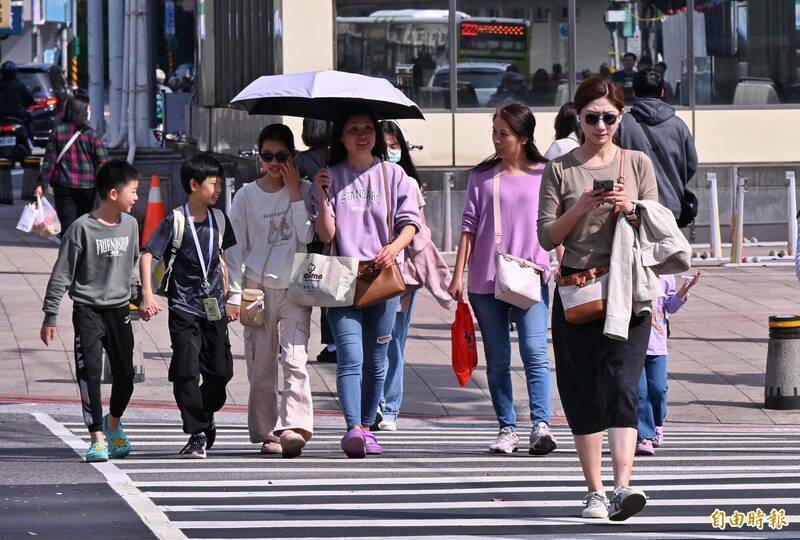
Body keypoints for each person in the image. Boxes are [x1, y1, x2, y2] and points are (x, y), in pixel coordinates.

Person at [537, 77, 659, 520]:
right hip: (577, 290)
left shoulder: (638, 163)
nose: (601, 125)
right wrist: (582, 207)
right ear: (577, 116)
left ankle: (624, 486)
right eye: (592, 117)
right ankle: (595, 491)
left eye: (610, 117)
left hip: (630, 289)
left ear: (621, 117)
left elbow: (658, 226)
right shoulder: (561, 168)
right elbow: (546, 234)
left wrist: (632, 207)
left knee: (624, 384)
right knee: (582, 387)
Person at [448, 103, 558, 456]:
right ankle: (507, 426)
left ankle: (540, 424)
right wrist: (458, 274)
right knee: (497, 357)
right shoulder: (482, 177)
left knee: (534, 352)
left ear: (523, 138)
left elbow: (558, 226)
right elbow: (468, 228)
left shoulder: (545, 174)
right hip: (486, 278)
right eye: (494, 132)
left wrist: (562, 264)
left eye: (504, 134)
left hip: (530, 275)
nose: (497, 140)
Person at [313, 103, 421, 458]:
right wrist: (321, 194)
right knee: (351, 357)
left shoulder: (393, 175)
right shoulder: (331, 175)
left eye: (368, 129)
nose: (363, 135)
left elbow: (411, 223)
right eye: (353, 129)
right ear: (340, 138)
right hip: (342, 277)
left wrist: (393, 248)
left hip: (382, 278)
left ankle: (367, 426)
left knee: (378, 360)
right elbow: (326, 232)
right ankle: (353, 429)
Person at [40, 159, 141, 462]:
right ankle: (97, 435)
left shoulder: (132, 225)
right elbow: (61, 274)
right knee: (91, 373)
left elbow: (130, 269)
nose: (137, 198)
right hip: (88, 311)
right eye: (134, 191)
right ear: (113, 193)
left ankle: (113, 423)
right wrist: (50, 315)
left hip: (120, 309)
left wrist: (139, 302)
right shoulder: (81, 229)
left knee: (125, 375)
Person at [226, 124, 316, 458]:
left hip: (295, 289)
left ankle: (292, 426)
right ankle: (267, 432)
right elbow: (235, 249)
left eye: (282, 156)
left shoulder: (304, 190)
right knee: (261, 364)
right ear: (259, 157)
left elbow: (307, 236)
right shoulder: (246, 195)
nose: (274, 163)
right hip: (256, 290)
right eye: (268, 156)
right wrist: (234, 294)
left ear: (293, 157)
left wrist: (295, 193)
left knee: (295, 359)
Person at [139, 154, 237, 459]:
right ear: (194, 185)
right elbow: (147, 255)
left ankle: (204, 415)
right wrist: (147, 294)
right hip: (184, 308)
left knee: (221, 374)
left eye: (220, 183)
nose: (218, 189)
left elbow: (228, 260)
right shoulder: (175, 220)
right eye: (213, 183)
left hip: (215, 308)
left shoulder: (220, 219)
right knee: (185, 371)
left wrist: (234, 296)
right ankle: (195, 433)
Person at [375, 120, 427, 431]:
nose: (391, 152)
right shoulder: (364, 178)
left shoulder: (409, 183)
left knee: (394, 339)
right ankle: (375, 403)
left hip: (402, 274)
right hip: (371, 269)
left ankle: (390, 406)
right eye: (386, 148)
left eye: (395, 147)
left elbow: (419, 232)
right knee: (374, 341)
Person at [617, 69, 698, 224]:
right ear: (662, 92)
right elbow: (691, 164)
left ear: (634, 93)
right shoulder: (678, 125)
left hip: (634, 208)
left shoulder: (622, 125)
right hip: (671, 207)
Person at [636, 271, 700, 455]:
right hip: (634, 344)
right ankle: (644, 436)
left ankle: (657, 424)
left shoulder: (665, 275)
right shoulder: (634, 268)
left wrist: (683, 290)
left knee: (658, 389)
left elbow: (670, 307)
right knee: (641, 392)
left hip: (657, 344)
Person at [294, 118, 338, 365]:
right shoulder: (339, 160)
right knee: (329, 290)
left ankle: (293, 341)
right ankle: (332, 344)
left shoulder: (300, 161)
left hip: (306, 235)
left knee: (305, 288)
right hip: (331, 233)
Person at [36, 94, 110, 237]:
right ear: (82, 110)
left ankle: (68, 256)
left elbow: (49, 162)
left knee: (68, 226)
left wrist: (42, 184)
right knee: (84, 225)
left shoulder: (57, 132)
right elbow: (104, 162)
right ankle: (82, 256)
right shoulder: (92, 134)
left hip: (63, 187)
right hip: (88, 188)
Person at [0, 61, 35, 136]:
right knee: (29, 121)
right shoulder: (20, 85)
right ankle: (29, 141)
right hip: (17, 117)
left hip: (6, 118)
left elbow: (30, 100)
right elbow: (31, 100)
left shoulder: (19, 85)